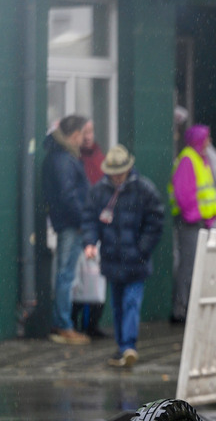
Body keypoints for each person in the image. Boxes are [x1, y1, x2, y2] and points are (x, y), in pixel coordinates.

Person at [82, 145, 164, 367]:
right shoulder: (99, 191)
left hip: (136, 261)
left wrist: (142, 249)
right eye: (113, 172)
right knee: (118, 305)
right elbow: (89, 218)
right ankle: (123, 347)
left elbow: (156, 220)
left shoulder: (144, 189)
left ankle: (128, 346)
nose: (117, 176)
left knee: (130, 303)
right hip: (112, 259)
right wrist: (89, 242)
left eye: (120, 171)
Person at [41, 115, 91, 345]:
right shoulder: (64, 159)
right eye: (83, 133)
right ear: (74, 135)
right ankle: (63, 324)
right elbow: (68, 195)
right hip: (71, 224)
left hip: (68, 222)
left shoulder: (61, 156)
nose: (85, 139)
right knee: (65, 275)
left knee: (65, 274)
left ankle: (61, 321)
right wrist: (83, 220)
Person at [169, 124, 216, 323]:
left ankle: (187, 308)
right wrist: (196, 216)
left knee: (193, 266)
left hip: (200, 222)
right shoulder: (189, 159)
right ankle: (181, 310)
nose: (209, 142)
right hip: (191, 223)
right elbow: (184, 194)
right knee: (188, 267)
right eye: (206, 138)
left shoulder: (199, 158)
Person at [73, 118, 107, 337]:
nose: (88, 136)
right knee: (80, 279)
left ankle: (92, 324)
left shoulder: (98, 156)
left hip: (99, 222)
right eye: (84, 132)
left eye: (91, 131)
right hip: (84, 224)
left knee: (97, 278)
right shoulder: (75, 159)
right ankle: (78, 323)